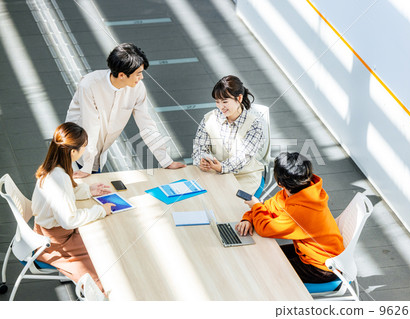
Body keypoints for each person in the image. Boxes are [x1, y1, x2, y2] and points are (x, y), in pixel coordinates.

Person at [66, 42, 185, 178]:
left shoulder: (138, 88)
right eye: (138, 74)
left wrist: (166, 161)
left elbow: (147, 124)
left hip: (99, 149)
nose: (142, 77)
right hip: (77, 147)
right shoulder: (89, 85)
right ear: (122, 75)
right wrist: (87, 167)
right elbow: (90, 126)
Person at [235, 152, 344, 283]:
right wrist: (248, 218)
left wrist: (255, 206)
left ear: (279, 183)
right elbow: (268, 207)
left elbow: (265, 228)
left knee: (262, 269)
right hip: (309, 252)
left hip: (322, 267)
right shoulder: (302, 190)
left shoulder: (302, 211)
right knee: (261, 256)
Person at [32, 122, 115, 293]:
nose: (85, 150)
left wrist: (88, 190)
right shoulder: (60, 177)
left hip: (44, 232)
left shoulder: (52, 167)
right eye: (83, 146)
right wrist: (101, 211)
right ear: (72, 151)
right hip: (56, 242)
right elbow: (69, 220)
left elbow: (61, 195)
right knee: (106, 264)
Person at [192, 75, 264, 195]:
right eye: (217, 102)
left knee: (230, 203)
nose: (221, 107)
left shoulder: (254, 124)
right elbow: (199, 148)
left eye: (225, 102)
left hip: (244, 176)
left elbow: (242, 158)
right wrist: (201, 161)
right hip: (213, 173)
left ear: (239, 98)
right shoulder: (209, 118)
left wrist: (221, 167)